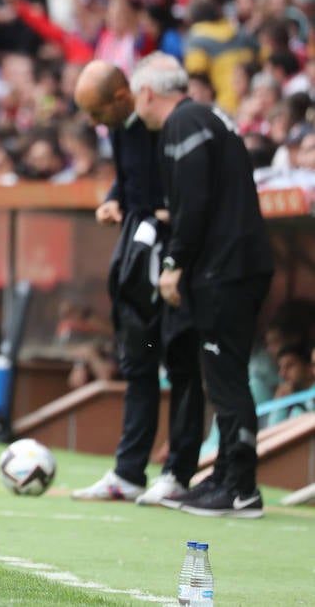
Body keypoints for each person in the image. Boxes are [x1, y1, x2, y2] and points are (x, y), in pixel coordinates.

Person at [132, 52, 275, 518]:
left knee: (226, 376)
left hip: (224, 268)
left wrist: (173, 262)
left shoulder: (183, 123)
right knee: (224, 374)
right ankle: (226, 475)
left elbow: (194, 201)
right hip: (239, 261)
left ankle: (241, 488)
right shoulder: (209, 116)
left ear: (148, 93)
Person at [70, 61, 204, 506]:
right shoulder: (120, 125)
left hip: (176, 261)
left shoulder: (166, 124)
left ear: (125, 96)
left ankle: (178, 473)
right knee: (141, 361)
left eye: (95, 111)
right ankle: (128, 473)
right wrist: (114, 201)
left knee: (183, 364)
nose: (92, 123)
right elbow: (129, 182)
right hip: (139, 262)